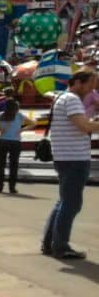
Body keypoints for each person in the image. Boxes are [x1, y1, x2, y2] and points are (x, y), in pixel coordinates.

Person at [41, 70, 99, 260]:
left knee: (64, 201)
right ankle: (60, 246)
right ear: (78, 82)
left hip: (65, 156)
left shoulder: (62, 98)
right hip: (74, 158)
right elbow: (83, 126)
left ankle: (50, 243)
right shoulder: (72, 100)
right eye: (90, 84)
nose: (92, 89)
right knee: (71, 204)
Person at [0, 98, 33, 194]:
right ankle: (12, 188)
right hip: (15, 142)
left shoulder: (1, 115)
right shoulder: (19, 115)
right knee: (14, 166)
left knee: (1, 165)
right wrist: (22, 130)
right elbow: (33, 123)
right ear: (16, 107)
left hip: (3, 141)